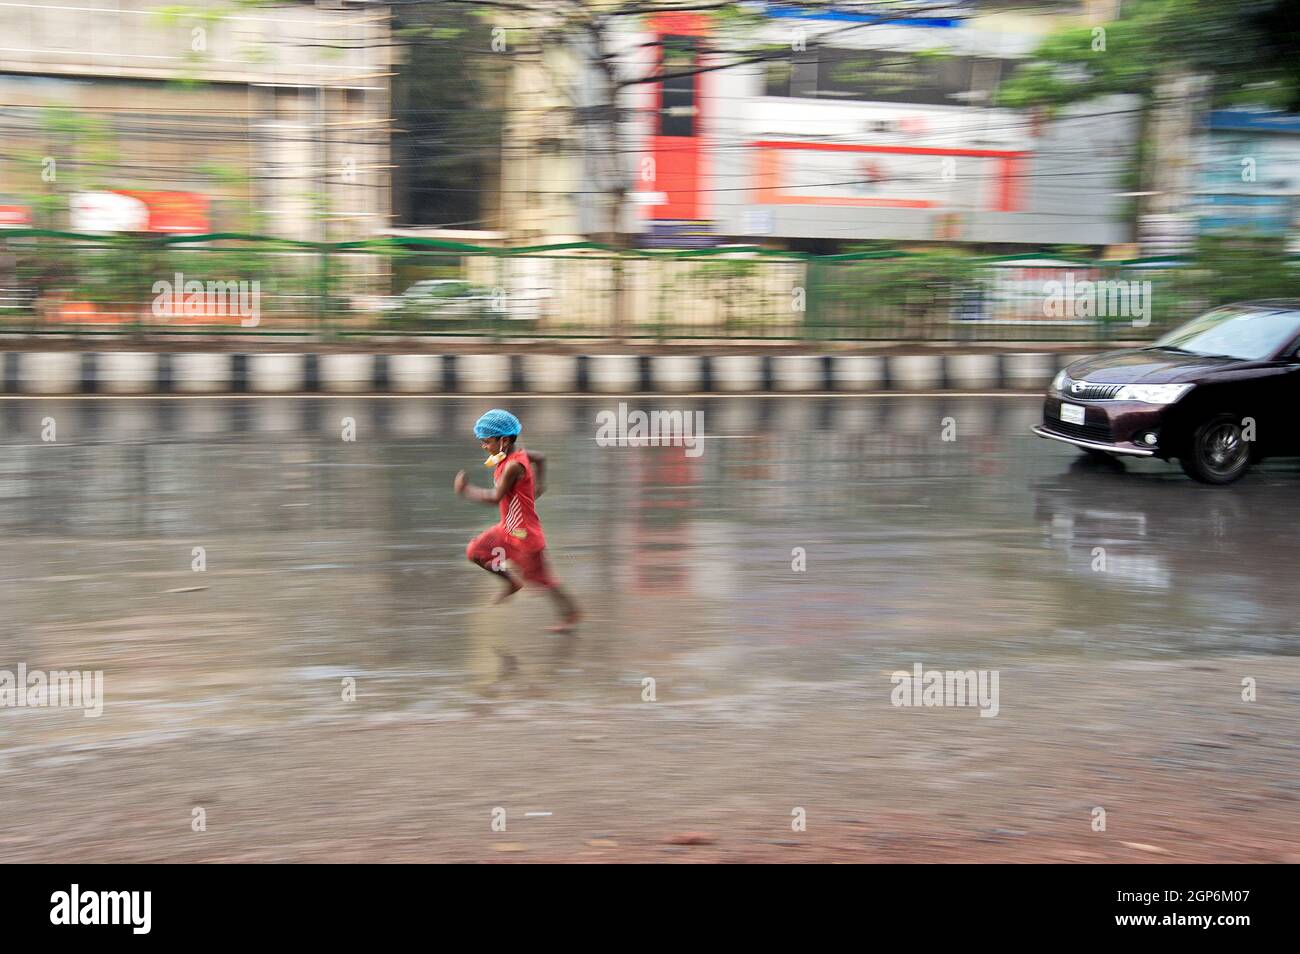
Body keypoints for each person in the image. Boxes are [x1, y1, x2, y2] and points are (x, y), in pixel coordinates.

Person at [455, 409, 581, 632]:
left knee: (542, 581)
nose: (484, 446)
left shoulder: (513, 465)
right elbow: (540, 458)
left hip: (526, 536)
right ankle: (512, 582)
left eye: (487, 442)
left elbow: (495, 498)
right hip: (507, 529)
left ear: (504, 440)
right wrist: (540, 485)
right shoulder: (514, 455)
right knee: (475, 552)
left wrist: (466, 491)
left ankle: (571, 614)